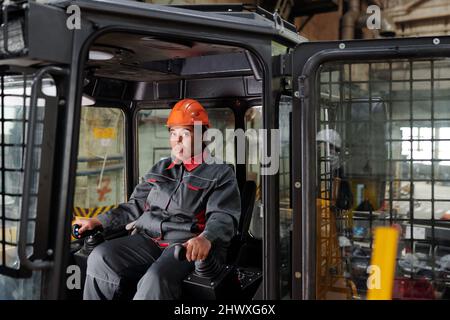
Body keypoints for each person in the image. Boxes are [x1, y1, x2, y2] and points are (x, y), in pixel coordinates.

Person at [73, 98, 241, 300]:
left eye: (185, 134)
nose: (177, 140)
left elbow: (223, 216)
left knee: (156, 278)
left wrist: (206, 238)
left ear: (203, 135)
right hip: (148, 239)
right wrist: (98, 221)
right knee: (100, 257)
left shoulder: (220, 173)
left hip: (185, 245)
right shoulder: (160, 169)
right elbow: (135, 205)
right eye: (173, 133)